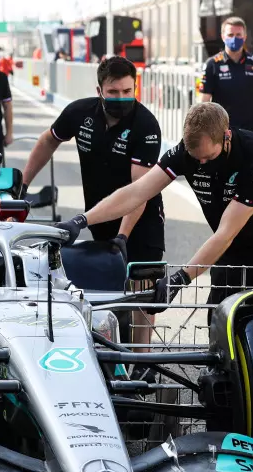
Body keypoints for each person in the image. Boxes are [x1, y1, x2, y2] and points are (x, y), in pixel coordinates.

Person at [52, 101, 253, 306]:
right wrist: (82, 220)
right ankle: (220, 373)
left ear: (227, 136)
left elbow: (225, 233)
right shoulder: (185, 154)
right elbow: (136, 192)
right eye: (196, 159)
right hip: (238, 243)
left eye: (208, 158)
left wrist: (181, 278)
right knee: (222, 314)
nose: (202, 165)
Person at [22, 56, 164, 346]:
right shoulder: (80, 113)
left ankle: (142, 358)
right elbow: (48, 140)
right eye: (114, 92)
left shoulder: (146, 125)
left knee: (141, 293)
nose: (122, 98)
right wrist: (22, 185)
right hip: (100, 217)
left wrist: (123, 236)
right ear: (100, 90)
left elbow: (140, 190)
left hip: (141, 221)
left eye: (127, 91)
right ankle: (107, 352)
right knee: (104, 290)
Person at [201, 16, 253, 138]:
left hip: (249, 134)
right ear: (223, 37)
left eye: (238, 35)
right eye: (230, 35)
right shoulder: (212, 65)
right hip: (220, 136)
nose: (234, 38)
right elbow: (203, 104)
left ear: (244, 37)